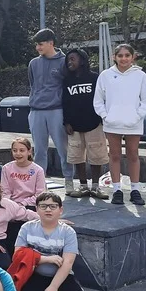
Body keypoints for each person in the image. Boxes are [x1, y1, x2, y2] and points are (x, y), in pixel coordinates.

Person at [93, 43, 146, 206]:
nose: (124, 59)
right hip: (112, 123)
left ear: (133, 57)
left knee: (133, 154)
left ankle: (135, 190)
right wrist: (106, 116)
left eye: (127, 55)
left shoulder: (141, 76)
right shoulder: (105, 75)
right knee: (114, 155)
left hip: (133, 123)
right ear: (114, 57)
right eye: (120, 55)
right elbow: (98, 100)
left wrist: (137, 116)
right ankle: (117, 190)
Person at [14, 192, 88, 291]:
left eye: (53, 206)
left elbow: (68, 262)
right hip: (35, 273)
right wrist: (45, 259)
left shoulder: (68, 232)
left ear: (60, 210)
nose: (48, 210)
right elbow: (18, 255)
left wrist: (54, 287)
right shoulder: (27, 228)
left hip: (61, 275)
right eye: (43, 206)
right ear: (37, 209)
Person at [28, 28, 73, 190]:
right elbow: (32, 84)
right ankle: (39, 183)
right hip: (36, 110)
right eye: (36, 45)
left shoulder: (64, 61)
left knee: (63, 148)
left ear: (51, 43)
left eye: (41, 44)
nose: (38, 48)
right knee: (39, 150)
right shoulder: (33, 63)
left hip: (56, 110)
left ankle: (69, 180)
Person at [62, 48, 110, 199]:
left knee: (97, 155)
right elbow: (65, 102)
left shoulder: (95, 78)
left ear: (82, 60)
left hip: (94, 123)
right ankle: (83, 186)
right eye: (68, 60)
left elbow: (103, 99)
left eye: (73, 59)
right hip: (74, 126)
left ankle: (95, 187)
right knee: (77, 156)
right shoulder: (67, 80)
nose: (69, 62)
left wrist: (102, 118)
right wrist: (66, 122)